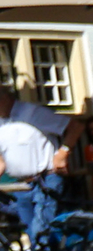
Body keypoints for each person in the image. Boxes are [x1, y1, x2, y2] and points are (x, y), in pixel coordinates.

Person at [0, 87, 71, 242]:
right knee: (31, 233)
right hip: (21, 186)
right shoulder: (1, 123)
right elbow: (1, 161)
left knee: (40, 232)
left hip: (45, 179)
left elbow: (75, 126)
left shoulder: (32, 112)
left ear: (4, 98)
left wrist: (62, 153)